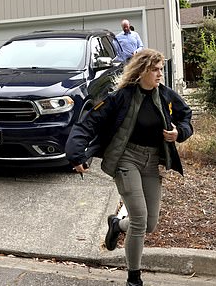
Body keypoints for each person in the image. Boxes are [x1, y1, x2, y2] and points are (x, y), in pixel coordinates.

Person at [66, 49, 193, 286]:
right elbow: (88, 123)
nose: (159, 74)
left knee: (150, 224)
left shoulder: (166, 95)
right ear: (142, 70)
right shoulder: (120, 97)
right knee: (139, 218)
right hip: (126, 159)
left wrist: (179, 132)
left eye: (160, 69)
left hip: (152, 162)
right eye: (154, 69)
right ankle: (134, 278)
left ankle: (116, 224)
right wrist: (76, 155)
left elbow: (186, 116)